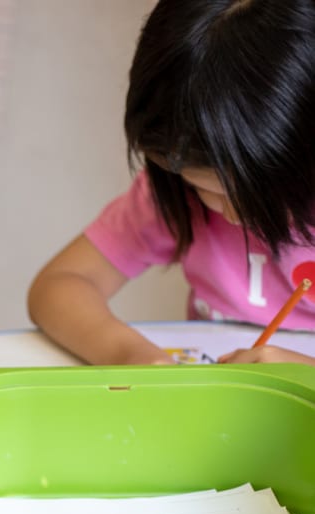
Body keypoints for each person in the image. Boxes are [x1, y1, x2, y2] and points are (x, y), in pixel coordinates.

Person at [27, 0, 315, 367]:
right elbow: (59, 285)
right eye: (206, 188)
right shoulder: (176, 195)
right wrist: (130, 353)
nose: (231, 212)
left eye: (254, 190)